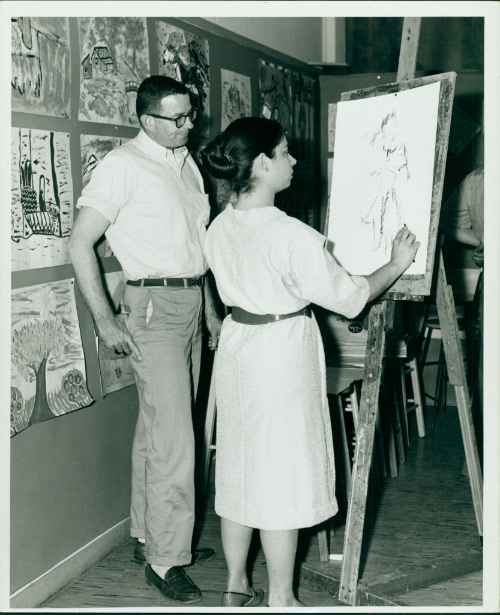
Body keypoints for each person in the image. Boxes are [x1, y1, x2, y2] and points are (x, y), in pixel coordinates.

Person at [199, 117, 420, 607]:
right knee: (281, 472)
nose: (294, 160)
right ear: (261, 163)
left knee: (240, 466)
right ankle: (282, 598)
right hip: (280, 350)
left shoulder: (218, 226)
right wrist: (397, 262)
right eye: (284, 152)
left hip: (238, 346)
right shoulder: (290, 234)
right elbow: (352, 298)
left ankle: (237, 583)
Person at [68, 76, 221, 604]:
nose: (187, 126)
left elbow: (195, 245)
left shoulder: (185, 163)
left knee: (158, 430)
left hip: (192, 303)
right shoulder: (123, 165)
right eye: (176, 119)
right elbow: (80, 242)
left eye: (189, 116)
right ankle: (166, 561)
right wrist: (105, 319)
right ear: (145, 119)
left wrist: (213, 311)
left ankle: (148, 536)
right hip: (151, 308)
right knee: (176, 440)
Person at [439, 165, 484, 467]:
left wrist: (481, 242)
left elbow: (442, 221)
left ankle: (479, 465)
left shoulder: (477, 178)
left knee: (485, 376)